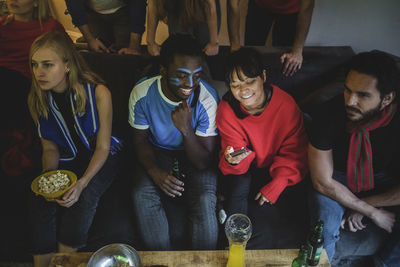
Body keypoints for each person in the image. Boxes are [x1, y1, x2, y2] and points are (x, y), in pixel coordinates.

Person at [27, 31, 122, 267]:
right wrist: (50, 181)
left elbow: (103, 146)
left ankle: (65, 259)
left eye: (48, 65)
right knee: (40, 200)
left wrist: (81, 183)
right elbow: (49, 149)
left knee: (83, 197)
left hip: (103, 155)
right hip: (67, 158)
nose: (39, 72)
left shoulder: (99, 93)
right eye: (35, 65)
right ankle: (43, 262)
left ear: (67, 65)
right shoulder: (37, 99)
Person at [308, 50, 400, 266]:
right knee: (324, 225)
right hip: (336, 178)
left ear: (387, 98)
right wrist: (371, 212)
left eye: (363, 95)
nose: (350, 101)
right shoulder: (328, 114)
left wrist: (362, 205)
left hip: (382, 177)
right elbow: (322, 181)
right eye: (347, 90)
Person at [129, 33, 219, 250]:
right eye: (181, 75)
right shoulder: (142, 93)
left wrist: (186, 129)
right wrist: (154, 172)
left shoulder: (207, 98)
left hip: (194, 152)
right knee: (141, 194)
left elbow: (203, 162)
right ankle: (162, 261)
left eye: (196, 76)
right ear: (163, 71)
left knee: (206, 198)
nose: (190, 84)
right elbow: (139, 141)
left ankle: (204, 265)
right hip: (158, 150)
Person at [216, 47, 308, 217]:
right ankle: (234, 236)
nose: (243, 91)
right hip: (245, 170)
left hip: (279, 166)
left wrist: (279, 182)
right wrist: (234, 160)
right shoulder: (226, 109)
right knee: (239, 184)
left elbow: (295, 152)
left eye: (249, 81)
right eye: (235, 85)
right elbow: (235, 155)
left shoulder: (286, 106)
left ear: (263, 76)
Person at [0, 0, 68, 176]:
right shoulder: (2, 26)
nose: (13, 1)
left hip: (28, 85)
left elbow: (68, 59)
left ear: (37, 3)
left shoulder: (50, 27)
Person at [227, 0, 314, 76]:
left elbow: (307, 7)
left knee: (285, 62)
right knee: (250, 56)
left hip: (291, 10)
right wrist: (235, 45)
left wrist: (297, 50)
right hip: (259, 6)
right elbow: (232, 4)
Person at [65, 0, 146, 54]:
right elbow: (73, 3)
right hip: (92, 13)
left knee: (127, 57)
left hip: (124, 10)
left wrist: (134, 45)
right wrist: (90, 39)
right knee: (100, 53)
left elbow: (138, 3)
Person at [146, 0, 220, 56]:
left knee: (205, 49)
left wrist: (214, 43)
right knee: (179, 48)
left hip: (201, 7)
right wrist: (150, 42)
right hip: (177, 6)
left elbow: (209, 5)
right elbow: (154, 3)